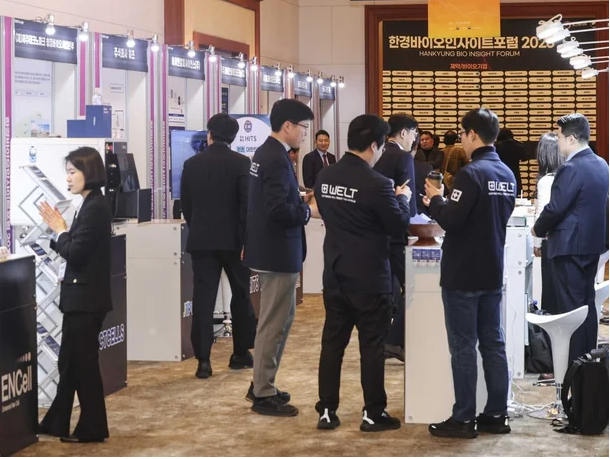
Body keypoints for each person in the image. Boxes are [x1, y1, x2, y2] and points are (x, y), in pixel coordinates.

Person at [314, 114, 411, 432]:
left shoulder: (325, 176)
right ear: (374, 145)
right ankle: (373, 412)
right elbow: (398, 225)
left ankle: (327, 410)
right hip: (370, 278)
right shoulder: (379, 184)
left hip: (335, 273)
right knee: (371, 347)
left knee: (332, 345)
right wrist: (403, 199)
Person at [424, 108, 515, 439]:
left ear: (473, 134)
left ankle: (463, 418)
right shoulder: (507, 174)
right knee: (493, 343)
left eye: (462, 134)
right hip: (492, 270)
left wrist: (436, 200)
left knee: (463, 347)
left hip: (463, 273)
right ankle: (496, 414)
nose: (461, 139)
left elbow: (451, 220)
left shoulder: (471, 174)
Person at [243, 98, 318, 417]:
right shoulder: (274, 157)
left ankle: (264, 383)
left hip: (273, 249)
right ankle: (262, 392)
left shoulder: (268, 152)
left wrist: (298, 199)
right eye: (303, 127)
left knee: (279, 319)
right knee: (274, 322)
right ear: (287, 125)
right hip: (277, 252)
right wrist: (307, 210)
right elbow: (277, 209)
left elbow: (272, 200)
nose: (305, 133)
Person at [38, 147, 112, 443]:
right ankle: (56, 422)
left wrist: (60, 231)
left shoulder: (95, 207)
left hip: (86, 299)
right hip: (81, 297)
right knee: (69, 364)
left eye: (72, 172)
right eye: (67, 172)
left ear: (88, 172)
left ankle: (93, 428)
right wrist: (60, 232)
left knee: (83, 365)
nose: (67, 178)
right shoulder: (90, 204)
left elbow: (76, 253)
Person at [180, 114, 257, 379]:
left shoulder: (191, 164)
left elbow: (186, 205)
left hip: (202, 241)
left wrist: (199, 227)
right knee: (241, 294)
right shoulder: (242, 163)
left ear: (209, 135)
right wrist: (246, 239)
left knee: (203, 299)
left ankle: (203, 360)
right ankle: (240, 353)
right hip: (235, 242)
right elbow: (246, 205)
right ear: (233, 138)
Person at [532, 113, 609, 365]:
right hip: (592, 247)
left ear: (572, 138)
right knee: (586, 307)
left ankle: (574, 368)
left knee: (570, 311)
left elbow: (555, 208)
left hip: (568, 249)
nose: (558, 141)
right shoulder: (602, 164)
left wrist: (537, 230)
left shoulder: (570, 168)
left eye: (559, 136)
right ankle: (587, 362)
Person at [373, 113, 419, 362]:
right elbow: (408, 202)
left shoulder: (377, 153)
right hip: (398, 236)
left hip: (377, 233)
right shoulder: (403, 157)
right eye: (413, 133)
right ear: (403, 132)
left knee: (384, 290)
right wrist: (414, 231)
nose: (414, 139)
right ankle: (392, 340)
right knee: (414, 286)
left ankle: (382, 339)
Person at [533, 132, 564, 317]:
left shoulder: (546, 180)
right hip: (566, 242)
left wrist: (537, 242)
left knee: (550, 292)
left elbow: (543, 213)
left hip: (550, 242)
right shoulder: (567, 176)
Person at [495, 128, 528, 196]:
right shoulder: (519, 145)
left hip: (500, 176)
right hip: (515, 176)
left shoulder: (496, 146)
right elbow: (524, 159)